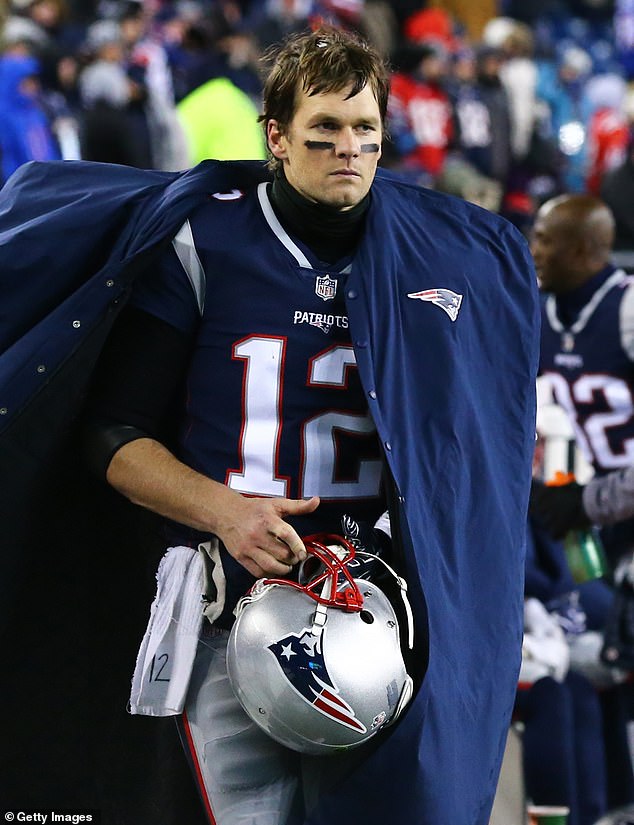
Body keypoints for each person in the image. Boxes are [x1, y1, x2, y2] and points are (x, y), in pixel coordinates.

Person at [0, 26, 538, 825]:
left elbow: (473, 444)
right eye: (323, 131)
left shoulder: (438, 255)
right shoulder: (207, 239)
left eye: (366, 132)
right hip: (230, 607)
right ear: (276, 137)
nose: (347, 150)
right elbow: (113, 435)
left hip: (375, 608)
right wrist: (227, 510)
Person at [528, 193, 634, 813]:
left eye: (545, 238)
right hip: (593, 522)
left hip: (606, 506)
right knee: (603, 666)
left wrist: (587, 500)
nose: (534, 249)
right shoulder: (536, 309)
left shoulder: (624, 309)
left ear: (584, 249)